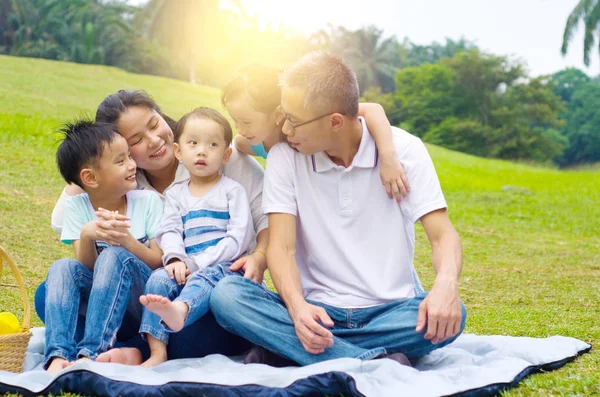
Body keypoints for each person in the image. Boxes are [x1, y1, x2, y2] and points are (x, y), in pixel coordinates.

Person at [209, 52, 467, 367]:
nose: (285, 129)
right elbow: (282, 246)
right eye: (282, 116)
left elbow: (443, 237)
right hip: (317, 310)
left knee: (452, 316)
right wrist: (297, 308)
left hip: (388, 313)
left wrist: (446, 284)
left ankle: (291, 349)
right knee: (227, 296)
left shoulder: (404, 152)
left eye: (293, 120)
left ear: (335, 121)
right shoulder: (284, 156)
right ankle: (373, 362)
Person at [37, 90, 265, 363]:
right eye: (136, 140)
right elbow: (60, 220)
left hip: (208, 290)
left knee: (188, 333)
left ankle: (136, 349)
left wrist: (260, 256)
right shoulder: (129, 183)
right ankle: (121, 346)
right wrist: (88, 166)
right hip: (149, 293)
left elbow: (267, 218)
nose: (155, 140)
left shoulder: (209, 147)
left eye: (155, 124)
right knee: (47, 295)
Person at [44, 120, 163, 374]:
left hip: (142, 304)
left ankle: (92, 352)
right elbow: (84, 269)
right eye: (121, 161)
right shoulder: (78, 207)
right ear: (90, 177)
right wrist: (87, 235)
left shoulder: (148, 202)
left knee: (114, 256)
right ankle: (58, 356)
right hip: (103, 307)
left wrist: (127, 242)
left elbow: (159, 263)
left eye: (129, 157)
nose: (132, 165)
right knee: (63, 267)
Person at [138, 107, 255, 367]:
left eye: (212, 145)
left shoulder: (231, 191)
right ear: (178, 151)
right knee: (158, 278)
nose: (202, 151)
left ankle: (181, 310)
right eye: (193, 143)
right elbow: (168, 230)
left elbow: (238, 240)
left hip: (222, 267)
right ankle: (157, 351)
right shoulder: (176, 193)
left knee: (207, 276)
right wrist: (176, 259)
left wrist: (197, 264)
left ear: (226, 154)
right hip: (186, 266)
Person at [221, 64, 411, 202]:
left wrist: (388, 157)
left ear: (278, 113)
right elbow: (235, 147)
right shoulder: (246, 142)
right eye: (234, 120)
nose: (240, 129)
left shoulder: (304, 124)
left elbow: (373, 109)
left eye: (246, 122)